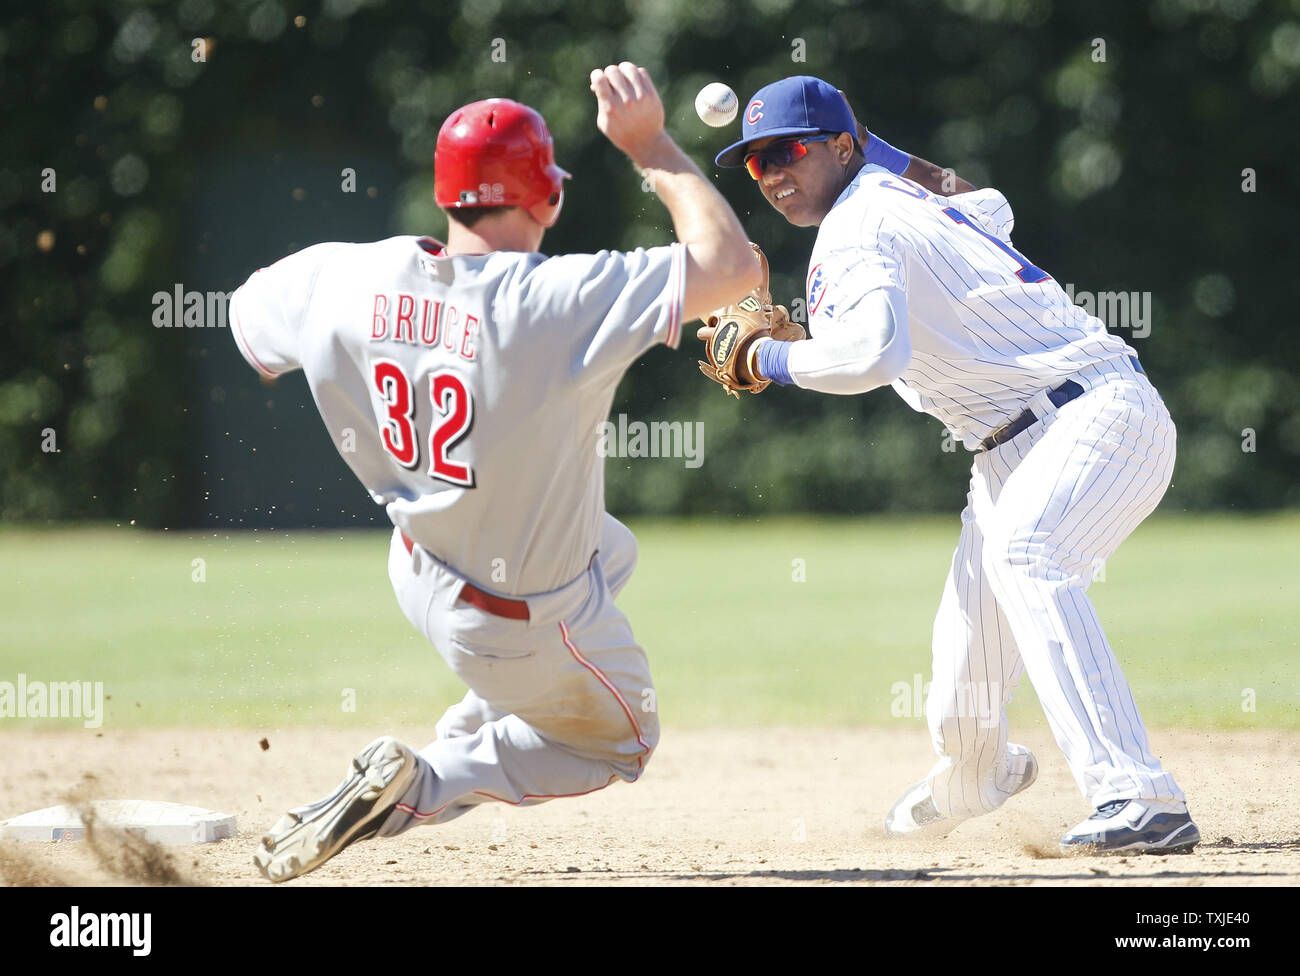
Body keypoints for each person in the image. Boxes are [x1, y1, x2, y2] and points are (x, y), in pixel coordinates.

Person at [231, 62, 760, 882]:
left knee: (611, 550)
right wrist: (651, 145)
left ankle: (474, 721)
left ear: (446, 198)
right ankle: (431, 780)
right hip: (515, 619)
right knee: (625, 741)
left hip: (418, 568)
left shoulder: (346, 273)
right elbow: (732, 266)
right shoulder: (555, 298)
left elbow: (249, 324)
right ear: (547, 199)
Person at [709, 75, 1199, 855]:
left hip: (1093, 416)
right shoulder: (911, 201)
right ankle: (974, 775)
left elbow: (873, 354)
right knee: (961, 687)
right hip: (1019, 448)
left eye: (787, 150)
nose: (770, 172)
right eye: (754, 162)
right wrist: (880, 152)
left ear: (840, 146)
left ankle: (1139, 797)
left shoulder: (854, 226)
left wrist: (771, 355)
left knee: (1027, 554)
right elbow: (987, 201)